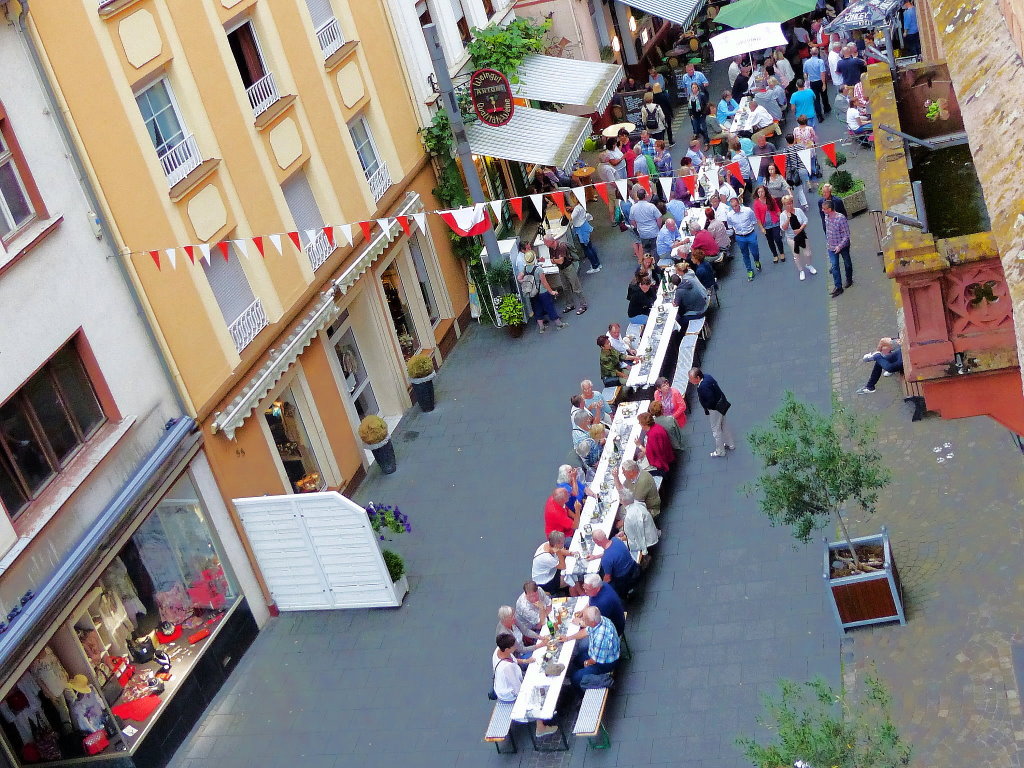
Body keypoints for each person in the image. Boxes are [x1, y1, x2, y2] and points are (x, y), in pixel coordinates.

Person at [565, 606, 620, 691]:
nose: (582, 619)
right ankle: (583, 674)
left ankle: (581, 695)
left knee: (575, 678)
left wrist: (586, 663)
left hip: (606, 663)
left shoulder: (600, 638)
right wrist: (568, 638)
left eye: (584, 618)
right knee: (576, 659)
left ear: (592, 622)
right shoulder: (600, 619)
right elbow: (586, 631)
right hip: (600, 654)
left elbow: (594, 660)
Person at [689, 367, 735, 458]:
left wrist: (707, 408)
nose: (690, 381)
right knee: (724, 425)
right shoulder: (707, 377)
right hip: (721, 405)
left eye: (691, 379)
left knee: (716, 431)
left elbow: (710, 401)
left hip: (714, 410)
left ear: (697, 378)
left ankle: (720, 451)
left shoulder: (702, 387)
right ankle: (731, 444)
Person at [518, 248, 567, 334]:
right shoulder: (538, 269)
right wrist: (551, 291)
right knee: (549, 307)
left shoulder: (525, 269)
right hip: (542, 292)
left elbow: (519, 278)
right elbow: (544, 282)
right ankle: (559, 324)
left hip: (532, 292)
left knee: (537, 309)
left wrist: (525, 281)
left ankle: (541, 327)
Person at [590, 529, 640, 599]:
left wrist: (600, 586)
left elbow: (608, 578)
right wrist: (595, 557)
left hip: (623, 578)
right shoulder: (616, 540)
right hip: (634, 567)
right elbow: (611, 552)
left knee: (601, 578)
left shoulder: (606, 559)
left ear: (597, 542)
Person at [545, 234, 587, 315]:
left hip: (568, 268)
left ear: (550, 241)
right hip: (561, 269)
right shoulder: (550, 248)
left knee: (576, 287)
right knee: (565, 287)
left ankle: (583, 305)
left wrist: (554, 260)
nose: (545, 243)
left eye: (546, 242)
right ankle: (570, 304)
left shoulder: (561, 246)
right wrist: (555, 260)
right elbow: (553, 260)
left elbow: (560, 261)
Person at [615, 488, 660, 563]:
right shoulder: (638, 503)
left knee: (617, 545)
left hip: (648, 541)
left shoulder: (630, 517)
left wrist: (619, 538)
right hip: (651, 533)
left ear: (622, 501)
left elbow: (634, 537)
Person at [726, 196, 764, 281]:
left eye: (736, 205)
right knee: (745, 254)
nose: (735, 208)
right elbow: (730, 226)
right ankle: (749, 270)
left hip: (750, 234)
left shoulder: (748, 211)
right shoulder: (729, 215)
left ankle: (757, 261)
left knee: (755, 252)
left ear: (739, 203)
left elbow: (753, 221)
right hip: (740, 237)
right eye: (733, 207)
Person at [780, 194, 817, 281]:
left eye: (790, 203)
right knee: (797, 255)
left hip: (801, 235)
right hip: (791, 238)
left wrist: (800, 229)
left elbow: (805, 220)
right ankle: (801, 270)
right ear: (784, 205)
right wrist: (788, 219)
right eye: (787, 204)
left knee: (808, 253)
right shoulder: (783, 215)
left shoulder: (798, 210)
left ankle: (808, 265)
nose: (789, 205)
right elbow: (783, 228)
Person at [822, 198, 853, 297]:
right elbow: (828, 231)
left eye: (824, 209)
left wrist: (840, 246)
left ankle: (849, 279)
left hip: (842, 246)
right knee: (835, 266)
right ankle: (838, 287)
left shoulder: (841, 218)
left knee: (847, 263)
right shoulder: (826, 217)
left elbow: (846, 235)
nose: (822, 210)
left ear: (830, 209)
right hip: (831, 246)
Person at [531, 531, 570, 596]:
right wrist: (559, 553)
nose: (563, 545)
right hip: (546, 582)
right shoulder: (547, 558)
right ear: (556, 545)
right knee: (572, 578)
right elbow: (563, 566)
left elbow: (561, 550)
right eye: (562, 543)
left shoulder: (548, 544)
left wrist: (571, 553)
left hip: (551, 570)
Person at [636, 412, 673, 477]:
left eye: (640, 423)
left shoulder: (652, 436)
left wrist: (639, 445)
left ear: (644, 425)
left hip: (660, 463)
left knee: (639, 470)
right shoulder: (657, 426)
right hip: (667, 454)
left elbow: (649, 452)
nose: (639, 424)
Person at [492, 633, 525, 701]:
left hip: (501, 684)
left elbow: (513, 660)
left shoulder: (499, 649)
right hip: (508, 694)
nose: (515, 647)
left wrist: (525, 661)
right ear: (507, 649)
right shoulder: (507, 667)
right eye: (513, 646)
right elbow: (517, 689)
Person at [628, 188, 662, 254]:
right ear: (645, 196)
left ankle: (646, 263)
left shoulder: (633, 208)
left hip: (643, 233)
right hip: (654, 232)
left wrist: (637, 227)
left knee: (646, 251)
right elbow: (659, 218)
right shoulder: (651, 206)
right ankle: (655, 263)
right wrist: (658, 227)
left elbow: (632, 221)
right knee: (655, 250)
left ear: (637, 196)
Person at [570, 204, 602, 273]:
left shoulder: (577, 208)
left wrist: (564, 211)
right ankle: (597, 263)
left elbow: (570, 217)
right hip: (584, 227)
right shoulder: (580, 206)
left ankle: (595, 266)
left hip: (581, 230)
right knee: (590, 246)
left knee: (587, 249)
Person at [802, 46, 830, 121]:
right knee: (824, 95)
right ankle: (826, 108)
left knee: (816, 99)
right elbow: (822, 72)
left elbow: (805, 73)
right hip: (820, 81)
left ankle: (819, 116)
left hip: (812, 82)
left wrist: (807, 82)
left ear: (811, 53)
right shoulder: (820, 61)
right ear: (817, 52)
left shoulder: (806, 62)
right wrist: (824, 83)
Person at [647, 65, 675, 143]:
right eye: (650, 73)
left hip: (661, 91)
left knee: (667, 96)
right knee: (666, 126)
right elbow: (650, 85)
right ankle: (667, 141)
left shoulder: (660, 76)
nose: (652, 74)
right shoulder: (650, 77)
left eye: (653, 73)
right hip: (656, 94)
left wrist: (656, 87)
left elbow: (662, 86)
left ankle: (669, 140)